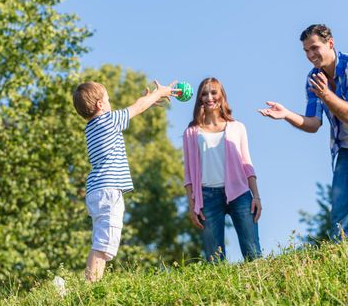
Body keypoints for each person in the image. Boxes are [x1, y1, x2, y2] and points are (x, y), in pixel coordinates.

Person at [259, 24, 348, 240]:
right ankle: (340, 258)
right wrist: (287, 114)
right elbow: (313, 124)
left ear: (330, 43)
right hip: (347, 151)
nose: (310, 55)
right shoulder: (313, 78)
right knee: (340, 212)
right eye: (306, 51)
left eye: (314, 48)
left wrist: (326, 94)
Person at [73, 80, 176, 282]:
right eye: (108, 100)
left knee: (103, 241)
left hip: (97, 190)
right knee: (103, 244)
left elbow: (138, 106)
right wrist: (158, 94)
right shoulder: (109, 121)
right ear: (100, 105)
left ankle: (91, 283)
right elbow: (136, 108)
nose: (111, 104)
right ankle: (88, 287)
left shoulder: (91, 128)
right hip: (108, 191)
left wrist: (148, 99)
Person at [183, 77, 262, 262]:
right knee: (214, 259)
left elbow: (247, 164)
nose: (209, 97)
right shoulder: (191, 132)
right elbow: (187, 174)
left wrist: (256, 196)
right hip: (207, 197)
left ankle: (258, 288)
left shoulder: (237, 127)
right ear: (199, 99)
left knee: (253, 253)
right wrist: (191, 204)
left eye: (213, 92)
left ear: (221, 96)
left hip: (240, 194)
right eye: (204, 93)